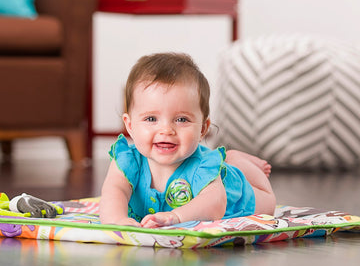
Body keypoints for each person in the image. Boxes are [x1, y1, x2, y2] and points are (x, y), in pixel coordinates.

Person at [99, 52, 276, 228]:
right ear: (130, 125)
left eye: (181, 119)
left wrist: (176, 216)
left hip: (234, 198)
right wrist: (117, 220)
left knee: (268, 203)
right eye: (151, 119)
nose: (166, 130)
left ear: (202, 129)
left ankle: (236, 160)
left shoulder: (203, 166)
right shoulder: (126, 161)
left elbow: (215, 203)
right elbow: (114, 191)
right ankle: (230, 158)